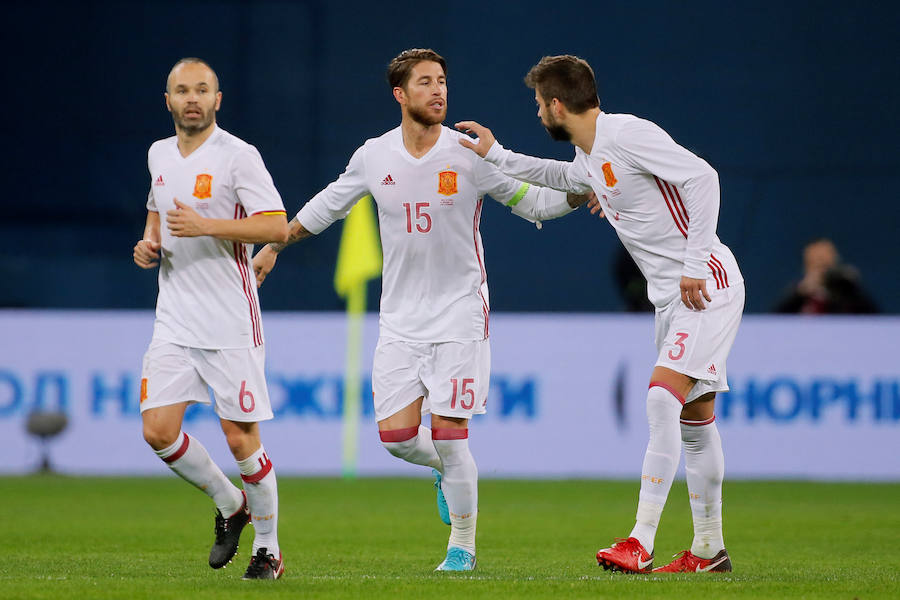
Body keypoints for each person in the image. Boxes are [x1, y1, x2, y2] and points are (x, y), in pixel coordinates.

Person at [253, 48, 585, 572]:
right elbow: (328, 204)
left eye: (443, 82)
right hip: (400, 319)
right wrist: (275, 244)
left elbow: (532, 203)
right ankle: (442, 470)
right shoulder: (374, 156)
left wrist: (574, 193)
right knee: (397, 439)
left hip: (460, 312)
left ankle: (462, 546)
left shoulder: (469, 153)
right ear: (400, 95)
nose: (438, 91)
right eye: (426, 82)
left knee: (451, 434)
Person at [456, 54, 744, 574]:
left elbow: (704, 178)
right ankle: (708, 551)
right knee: (695, 423)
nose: (538, 114)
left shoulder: (626, 134)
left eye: (539, 105)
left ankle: (640, 539)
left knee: (660, 398)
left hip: (707, 286)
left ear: (557, 105)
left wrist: (697, 262)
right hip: (672, 299)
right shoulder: (592, 157)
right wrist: (496, 153)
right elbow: (559, 176)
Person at [133, 57, 289, 580]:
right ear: (169, 100)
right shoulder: (158, 153)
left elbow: (277, 227)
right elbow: (157, 206)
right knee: (158, 432)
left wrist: (207, 226)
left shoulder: (239, 157)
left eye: (203, 89)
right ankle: (232, 504)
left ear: (217, 99)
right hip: (174, 317)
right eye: (183, 90)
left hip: (229, 321)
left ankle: (267, 549)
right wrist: (150, 241)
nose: (192, 98)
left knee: (242, 440)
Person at [774, 238, 878, 314]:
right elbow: (773, 323)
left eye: (825, 264)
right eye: (815, 263)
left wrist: (849, 288)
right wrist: (799, 295)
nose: (821, 271)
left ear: (835, 263)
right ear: (806, 266)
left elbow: (874, 319)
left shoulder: (847, 293)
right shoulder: (797, 295)